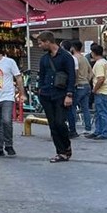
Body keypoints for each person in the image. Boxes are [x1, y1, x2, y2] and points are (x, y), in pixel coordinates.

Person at [35, 31, 75, 162]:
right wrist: (40, 90)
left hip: (61, 94)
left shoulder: (66, 56)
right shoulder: (44, 59)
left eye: (40, 43)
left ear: (48, 42)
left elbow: (71, 76)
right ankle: (61, 152)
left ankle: (66, 145)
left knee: (60, 122)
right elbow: (41, 75)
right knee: (52, 125)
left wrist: (69, 94)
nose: (39, 46)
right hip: (46, 94)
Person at [84, 43, 107, 140]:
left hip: (101, 91)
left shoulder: (99, 64)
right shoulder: (104, 62)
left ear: (93, 53)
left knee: (103, 112)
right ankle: (98, 131)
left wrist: (94, 89)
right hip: (104, 90)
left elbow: (101, 78)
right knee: (99, 112)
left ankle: (104, 132)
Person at [70, 40, 93, 138]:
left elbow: (74, 73)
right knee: (85, 108)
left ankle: (72, 128)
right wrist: (87, 79)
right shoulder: (84, 58)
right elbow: (91, 72)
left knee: (72, 107)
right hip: (86, 85)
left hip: (78, 85)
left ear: (73, 48)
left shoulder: (74, 58)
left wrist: (74, 83)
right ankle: (88, 128)